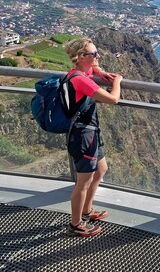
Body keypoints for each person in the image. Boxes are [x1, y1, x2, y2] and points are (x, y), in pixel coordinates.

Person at [63, 38, 122, 237]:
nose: (97, 57)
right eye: (93, 54)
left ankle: (87, 211)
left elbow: (93, 68)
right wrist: (117, 81)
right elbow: (113, 99)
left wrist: (100, 71)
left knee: (101, 169)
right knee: (83, 183)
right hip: (83, 136)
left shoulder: (82, 71)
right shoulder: (80, 80)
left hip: (91, 132)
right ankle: (75, 224)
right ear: (80, 57)